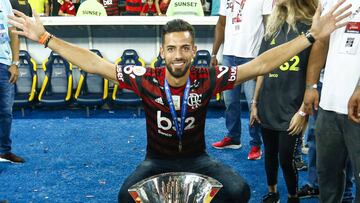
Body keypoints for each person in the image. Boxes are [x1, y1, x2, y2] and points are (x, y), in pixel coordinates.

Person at [8, 1, 351, 201]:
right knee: (123, 199)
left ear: (194, 51)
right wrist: (45, 38)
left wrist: (309, 36)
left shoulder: (207, 78)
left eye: (185, 48)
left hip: (198, 160)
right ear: (163, 51)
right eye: (171, 48)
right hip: (155, 162)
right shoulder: (147, 78)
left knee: (240, 191)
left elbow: (260, 64)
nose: (178, 55)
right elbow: (95, 63)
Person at [250, 0, 319, 201]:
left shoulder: (309, 29)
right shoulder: (271, 28)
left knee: (286, 158)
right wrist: (255, 103)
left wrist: (303, 112)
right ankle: (272, 193)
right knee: (270, 155)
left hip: (292, 108)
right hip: (267, 104)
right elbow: (261, 68)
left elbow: (312, 75)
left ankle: (292, 196)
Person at [303, 0, 360, 202]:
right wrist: (311, 85)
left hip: (357, 111)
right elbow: (321, 42)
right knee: (327, 175)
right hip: (328, 106)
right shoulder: (328, 1)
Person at [211, 0, 272, 161]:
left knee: (254, 103)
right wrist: (214, 53)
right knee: (230, 101)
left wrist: (266, 56)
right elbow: (221, 24)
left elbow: (269, 27)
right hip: (229, 56)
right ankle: (233, 137)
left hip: (252, 57)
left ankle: (256, 144)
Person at [0, 0, 24, 163]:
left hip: (4, 64)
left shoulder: (4, 2)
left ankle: (4, 151)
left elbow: (13, 32)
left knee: (6, 112)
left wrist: (15, 63)